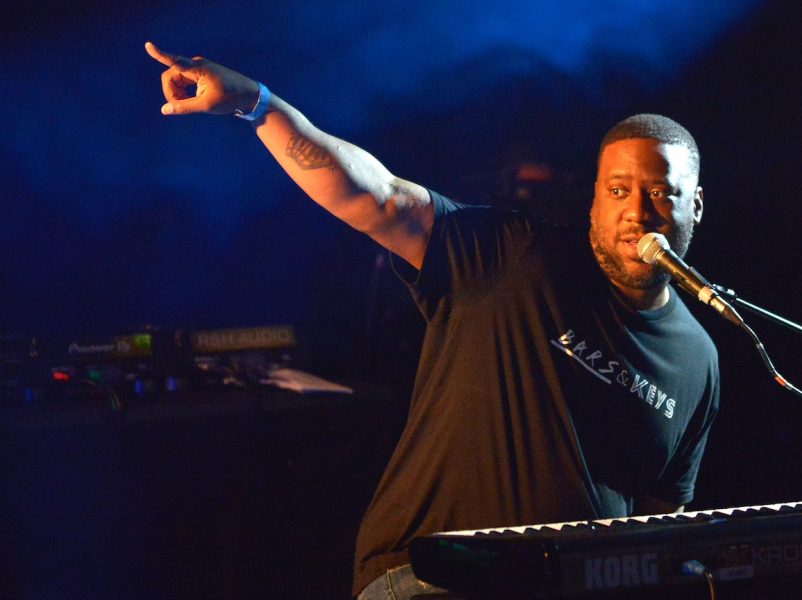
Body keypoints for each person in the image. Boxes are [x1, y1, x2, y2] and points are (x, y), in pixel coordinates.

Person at [145, 41, 719, 599]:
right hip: (431, 579)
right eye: (618, 190)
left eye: (660, 194)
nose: (637, 212)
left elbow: (657, 526)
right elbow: (380, 198)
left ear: (692, 206)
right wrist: (259, 105)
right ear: (594, 198)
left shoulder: (699, 360)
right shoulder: (518, 256)